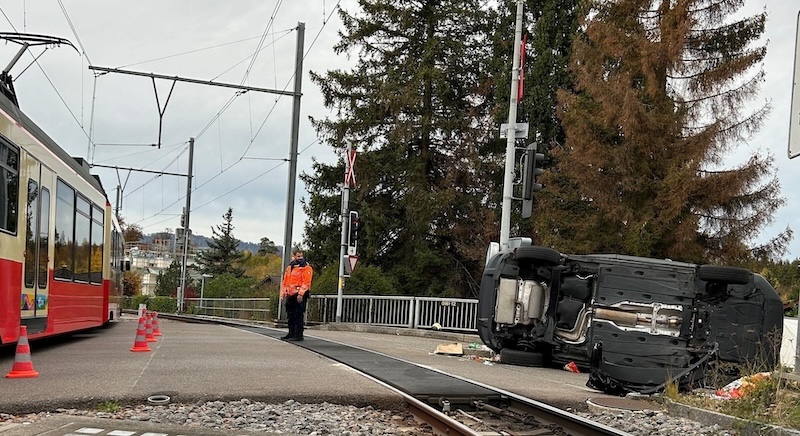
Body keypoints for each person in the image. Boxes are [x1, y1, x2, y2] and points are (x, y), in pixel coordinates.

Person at [280, 250, 313, 341]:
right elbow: (285, 282)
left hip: (300, 294)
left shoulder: (306, 268)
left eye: (301, 256)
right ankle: (291, 333)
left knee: (298, 314)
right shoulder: (290, 267)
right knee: (290, 315)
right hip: (291, 294)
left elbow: (306, 282)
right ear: (294, 256)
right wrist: (283, 294)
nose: (300, 258)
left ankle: (298, 334)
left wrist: (301, 294)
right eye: (298, 256)